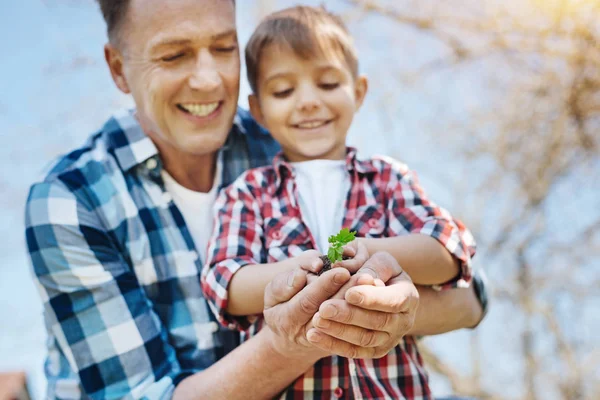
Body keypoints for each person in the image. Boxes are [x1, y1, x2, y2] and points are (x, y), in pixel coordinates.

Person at [24, 0, 488, 398]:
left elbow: (468, 289)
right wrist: (312, 329)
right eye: (173, 55)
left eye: (223, 48)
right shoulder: (70, 200)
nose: (208, 81)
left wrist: (387, 304)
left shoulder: (284, 139)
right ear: (119, 69)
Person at [201, 6, 476, 399]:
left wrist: (365, 253)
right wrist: (309, 271)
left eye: (328, 84)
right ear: (258, 110)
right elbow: (226, 282)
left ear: (358, 91)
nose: (309, 101)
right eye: (284, 91)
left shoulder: (387, 177)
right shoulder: (246, 193)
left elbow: (447, 250)